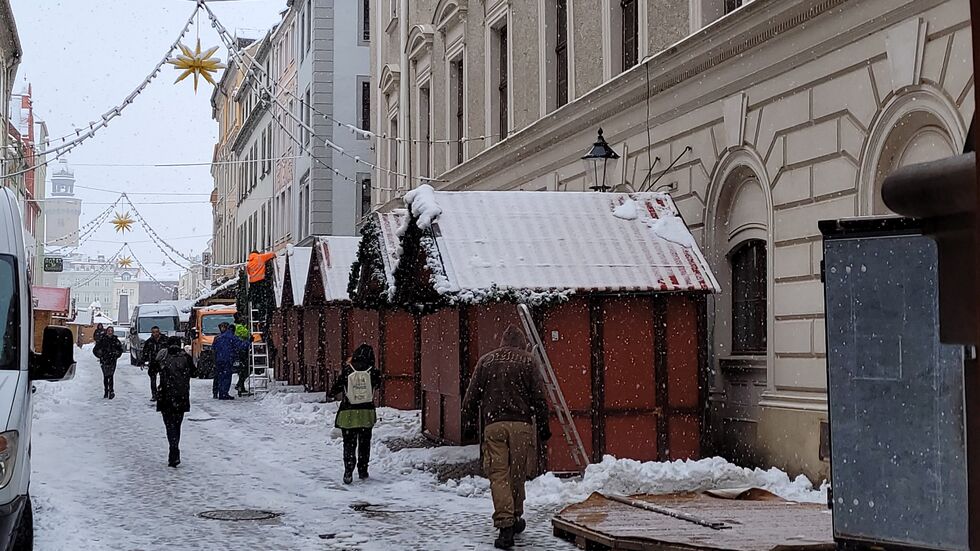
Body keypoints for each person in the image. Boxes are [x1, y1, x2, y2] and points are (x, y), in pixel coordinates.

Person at [461, 325, 551, 550]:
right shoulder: (528, 361)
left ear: (502, 342)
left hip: (494, 425)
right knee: (517, 474)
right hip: (521, 425)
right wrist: (543, 425)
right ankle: (515, 515)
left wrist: (469, 424)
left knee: (499, 475)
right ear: (521, 343)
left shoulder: (486, 361)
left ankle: (505, 525)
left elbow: (471, 396)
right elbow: (539, 396)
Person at [328, 344, 381, 485]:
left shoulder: (347, 370)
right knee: (364, 443)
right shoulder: (373, 371)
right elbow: (378, 385)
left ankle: (348, 470)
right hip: (366, 413)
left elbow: (336, 388)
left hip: (348, 413)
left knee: (349, 443)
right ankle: (363, 470)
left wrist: (332, 393)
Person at [156, 336, 192, 467]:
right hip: (181, 395)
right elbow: (195, 372)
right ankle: (175, 447)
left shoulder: (163, 357)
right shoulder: (185, 357)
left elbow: (152, 370)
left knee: (169, 424)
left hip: (166, 395)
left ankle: (173, 448)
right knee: (177, 424)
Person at [212, 323, 250, 400]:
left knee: (220, 376)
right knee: (226, 376)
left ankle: (219, 392)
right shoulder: (232, 337)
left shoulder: (218, 337)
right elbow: (241, 346)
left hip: (219, 359)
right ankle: (224, 394)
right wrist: (249, 341)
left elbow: (214, 348)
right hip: (227, 359)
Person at [246, 250, 276, 329]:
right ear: (257, 253)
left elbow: (248, 273)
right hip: (261, 282)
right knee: (262, 300)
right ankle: (261, 317)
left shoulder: (249, 263)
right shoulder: (260, 257)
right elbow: (272, 254)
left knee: (255, 301)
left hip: (253, 284)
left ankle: (255, 318)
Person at [92, 326, 124, 399]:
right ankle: (106, 391)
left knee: (111, 375)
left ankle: (111, 391)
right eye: (109, 331)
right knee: (106, 376)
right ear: (106, 331)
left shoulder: (115, 340)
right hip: (104, 360)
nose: (110, 332)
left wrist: (116, 354)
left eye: (111, 331)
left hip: (112, 360)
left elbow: (120, 349)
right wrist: (100, 355)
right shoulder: (102, 340)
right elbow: (95, 350)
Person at [142, 326, 167, 402]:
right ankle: (154, 395)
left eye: (156, 332)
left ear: (159, 332)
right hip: (153, 362)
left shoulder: (165, 340)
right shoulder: (149, 341)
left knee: (163, 379)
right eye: (153, 332)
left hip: (162, 362)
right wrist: (143, 361)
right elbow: (145, 352)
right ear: (151, 333)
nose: (155, 333)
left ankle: (162, 393)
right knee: (153, 379)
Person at [234, 322, 252, 397]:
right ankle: (240, 386)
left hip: (241, 354)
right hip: (242, 354)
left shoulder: (238, 328)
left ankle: (241, 386)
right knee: (244, 371)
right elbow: (242, 345)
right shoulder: (240, 328)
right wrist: (249, 341)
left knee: (243, 371)